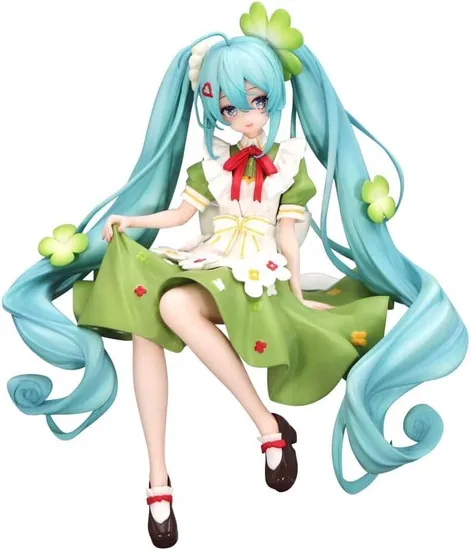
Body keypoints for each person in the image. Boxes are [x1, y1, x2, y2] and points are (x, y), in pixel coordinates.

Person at [3, 3, 467, 548]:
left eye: (258, 100)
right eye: (231, 106)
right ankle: (164, 472)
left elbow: (288, 236)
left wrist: (296, 291)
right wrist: (133, 221)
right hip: (208, 260)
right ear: (214, 110)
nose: (247, 115)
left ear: (273, 98)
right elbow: (180, 215)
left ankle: (260, 431)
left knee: (167, 306)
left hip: (256, 273)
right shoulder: (209, 167)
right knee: (147, 313)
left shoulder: (289, 163)